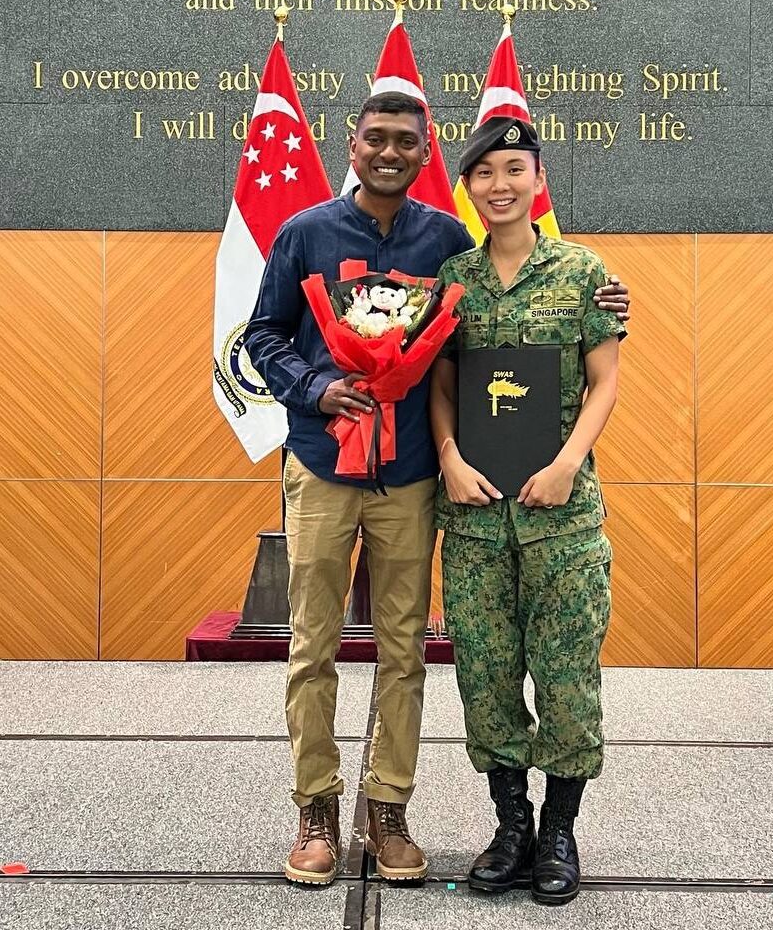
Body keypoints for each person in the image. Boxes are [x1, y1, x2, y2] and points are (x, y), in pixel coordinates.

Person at [244, 93, 629, 886]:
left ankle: (389, 810)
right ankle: (316, 809)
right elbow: (263, 334)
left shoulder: (447, 244)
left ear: (426, 154)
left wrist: (610, 300)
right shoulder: (306, 233)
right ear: (352, 145)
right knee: (312, 644)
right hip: (323, 462)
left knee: (404, 649)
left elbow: (481, 358)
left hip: (413, 473)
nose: (389, 152)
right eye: (375, 139)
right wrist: (315, 387)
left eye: (405, 142)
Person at [427, 116, 624, 907]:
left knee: (568, 679)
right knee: (485, 677)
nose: (500, 184)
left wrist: (568, 463)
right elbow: (441, 382)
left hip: (562, 521)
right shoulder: (454, 277)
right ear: (468, 187)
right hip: (475, 521)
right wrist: (448, 457)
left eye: (515, 169)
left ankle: (559, 830)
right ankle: (511, 828)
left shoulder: (582, 272)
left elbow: (604, 380)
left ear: (538, 180)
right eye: (485, 172)